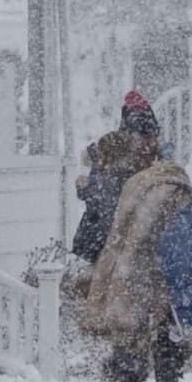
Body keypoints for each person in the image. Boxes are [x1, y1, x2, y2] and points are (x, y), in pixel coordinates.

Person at [79, 143, 192, 382]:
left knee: (130, 328)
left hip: (128, 264)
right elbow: (184, 225)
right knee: (167, 326)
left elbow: (119, 220)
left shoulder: (134, 183)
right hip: (159, 266)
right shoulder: (173, 187)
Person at [72, 90, 161, 262]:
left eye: (151, 137)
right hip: (102, 242)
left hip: (106, 243)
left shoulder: (151, 161)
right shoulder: (117, 154)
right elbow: (105, 198)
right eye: (143, 136)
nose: (146, 144)